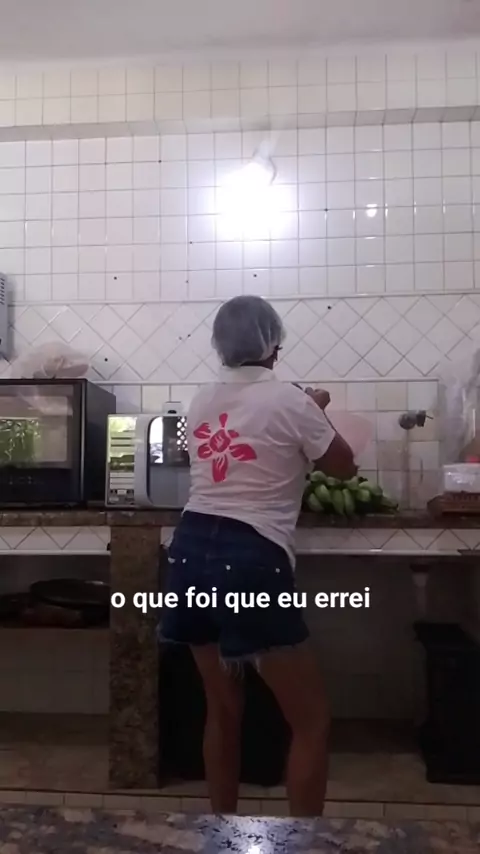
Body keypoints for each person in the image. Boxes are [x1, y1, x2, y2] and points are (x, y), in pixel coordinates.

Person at [160, 295, 356, 816]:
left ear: (220, 346)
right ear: (274, 346)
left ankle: (220, 832)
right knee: (310, 721)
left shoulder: (200, 399)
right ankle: (304, 842)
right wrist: (315, 409)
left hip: (189, 552)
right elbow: (342, 467)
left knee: (222, 708)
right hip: (249, 559)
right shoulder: (292, 400)